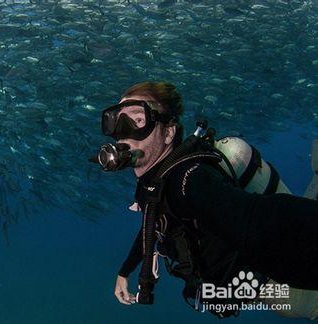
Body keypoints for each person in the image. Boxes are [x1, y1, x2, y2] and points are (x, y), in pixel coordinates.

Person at [91, 81, 318, 318]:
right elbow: (153, 222)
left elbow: (259, 219)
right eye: (117, 120)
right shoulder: (153, 184)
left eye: (138, 120)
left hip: (290, 293)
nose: (124, 130)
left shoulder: (186, 180)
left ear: (168, 133)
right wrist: (125, 270)